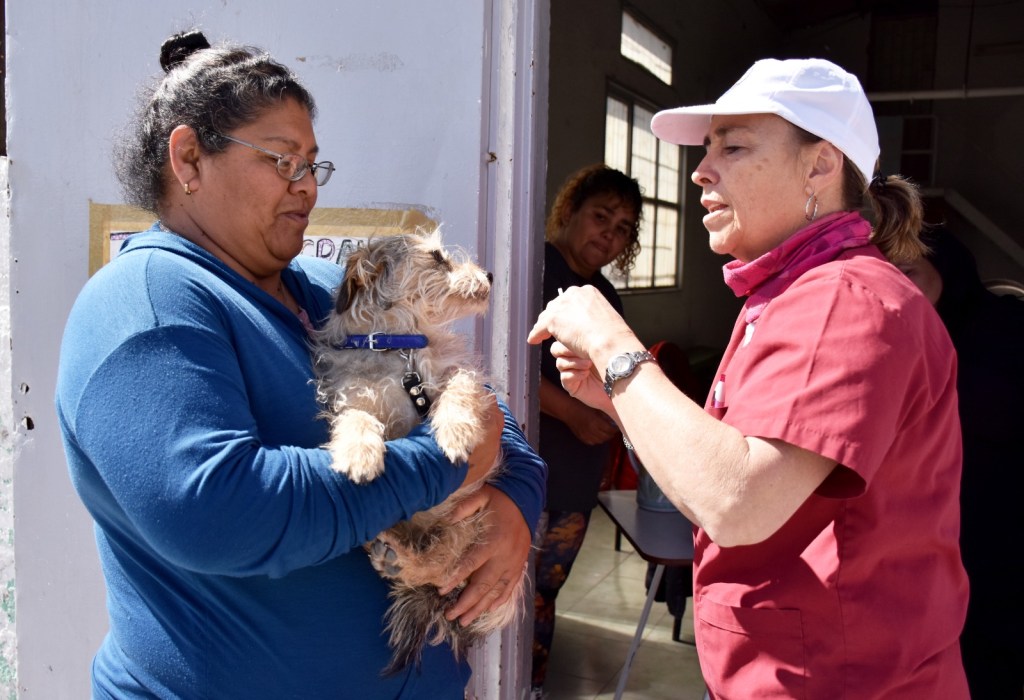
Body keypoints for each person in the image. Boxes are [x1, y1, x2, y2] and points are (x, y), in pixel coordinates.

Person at [55, 30, 546, 699]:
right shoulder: (144, 305)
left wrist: (516, 505)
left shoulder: (323, 287)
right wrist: (446, 462)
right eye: (284, 161)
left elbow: (476, 403)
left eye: (314, 164)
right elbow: (222, 509)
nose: (308, 187)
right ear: (189, 157)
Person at [528, 58, 969, 698]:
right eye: (706, 151)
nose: (701, 172)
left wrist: (614, 345)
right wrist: (618, 399)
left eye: (733, 147)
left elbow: (737, 500)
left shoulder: (840, 299)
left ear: (819, 165)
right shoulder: (793, 295)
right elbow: (723, 465)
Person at [529, 164, 641, 698]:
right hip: (527, 468)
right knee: (508, 594)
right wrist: (574, 414)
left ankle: (531, 685)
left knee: (544, 593)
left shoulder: (605, 299)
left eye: (623, 228)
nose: (610, 234)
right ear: (569, 212)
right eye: (601, 217)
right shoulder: (535, 270)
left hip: (574, 479)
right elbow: (506, 366)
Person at [899, 227, 1024, 699]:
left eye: (908, 269)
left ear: (947, 265)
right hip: (920, 547)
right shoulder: (891, 339)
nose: (896, 283)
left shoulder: (1007, 328)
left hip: (996, 541)